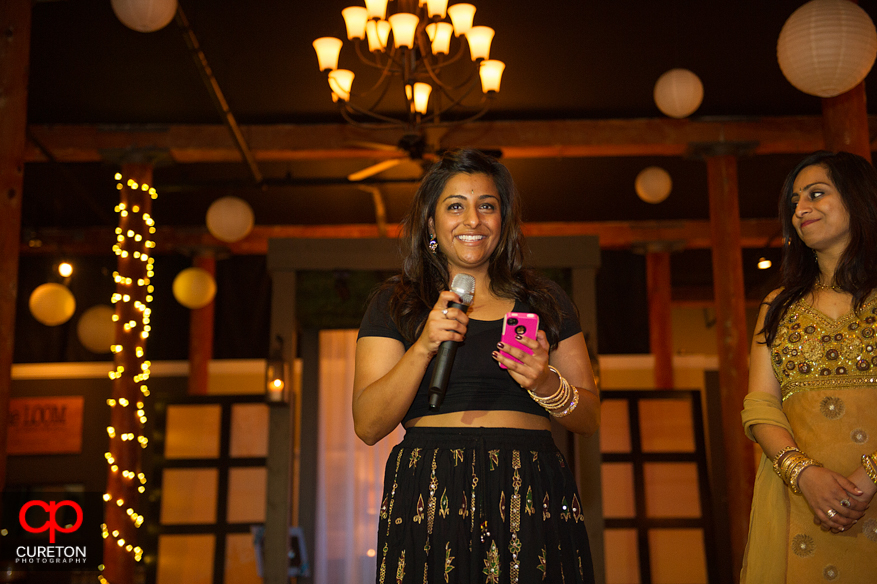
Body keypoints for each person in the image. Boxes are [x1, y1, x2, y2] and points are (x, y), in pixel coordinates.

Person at [354, 148, 600, 584]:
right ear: (431, 224)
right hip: (430, 485)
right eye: (455, 207)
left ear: (502, 220)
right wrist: (424, 345)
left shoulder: (544, 299)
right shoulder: (397, 302)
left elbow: (588, 416)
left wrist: (545, 383)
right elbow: (369, 425)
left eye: (487, 205)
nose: (473, 220)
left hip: (530, 482)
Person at [741, 150, 877, 583]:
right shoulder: (778, 307)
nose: (801, 209)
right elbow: (760, 407)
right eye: (795, 202)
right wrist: (804, 474)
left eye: (816, 194)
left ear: (858, 200)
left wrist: (871, 474)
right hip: (799, 503)